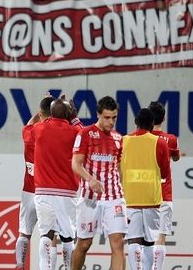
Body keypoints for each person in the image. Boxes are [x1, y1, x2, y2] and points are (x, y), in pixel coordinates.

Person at [32, 98, 99, 270]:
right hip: (67, 193)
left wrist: (47, 108)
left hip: (42, 192)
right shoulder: (74, 132)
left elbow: (32, 125)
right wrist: (74, 117)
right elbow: (86, 135)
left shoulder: (38, 129)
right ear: (68, 114)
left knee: (46, 234)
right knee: (68, 237)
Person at [71, 96, 126, 270]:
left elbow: (118, 167)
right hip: (90, 198)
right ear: (98, 115)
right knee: (84, 243)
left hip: (114, 197)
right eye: (107, 117)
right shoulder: (85, 134)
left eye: (114, 118)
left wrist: (121, 187)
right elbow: (75, 164)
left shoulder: (119, 138)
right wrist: (90, 179)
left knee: (118, 243)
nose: (111, 122)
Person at [120, 108, 170, 270]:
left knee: (133, 239)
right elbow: (165, 172)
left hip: (130, 197)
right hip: (151, 198)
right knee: (149, 242)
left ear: (136, 122)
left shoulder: (123, 141)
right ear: (151, 124)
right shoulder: (159, 142)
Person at [15, 96, 53, 269]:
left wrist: (40, 110)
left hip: (28, 191)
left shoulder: (28, 132)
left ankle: (20, 264)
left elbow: (30, 123)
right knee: (48, 235)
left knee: (24, 232)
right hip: (46, 191)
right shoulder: (54, 135)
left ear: (40, 112)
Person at [148, 101, 180, 270]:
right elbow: (176, 158)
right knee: (160, 236)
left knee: (144, 237)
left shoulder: (142, 139)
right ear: (164, 118)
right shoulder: (171, 139)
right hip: (165, 194)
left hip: (146, 194)